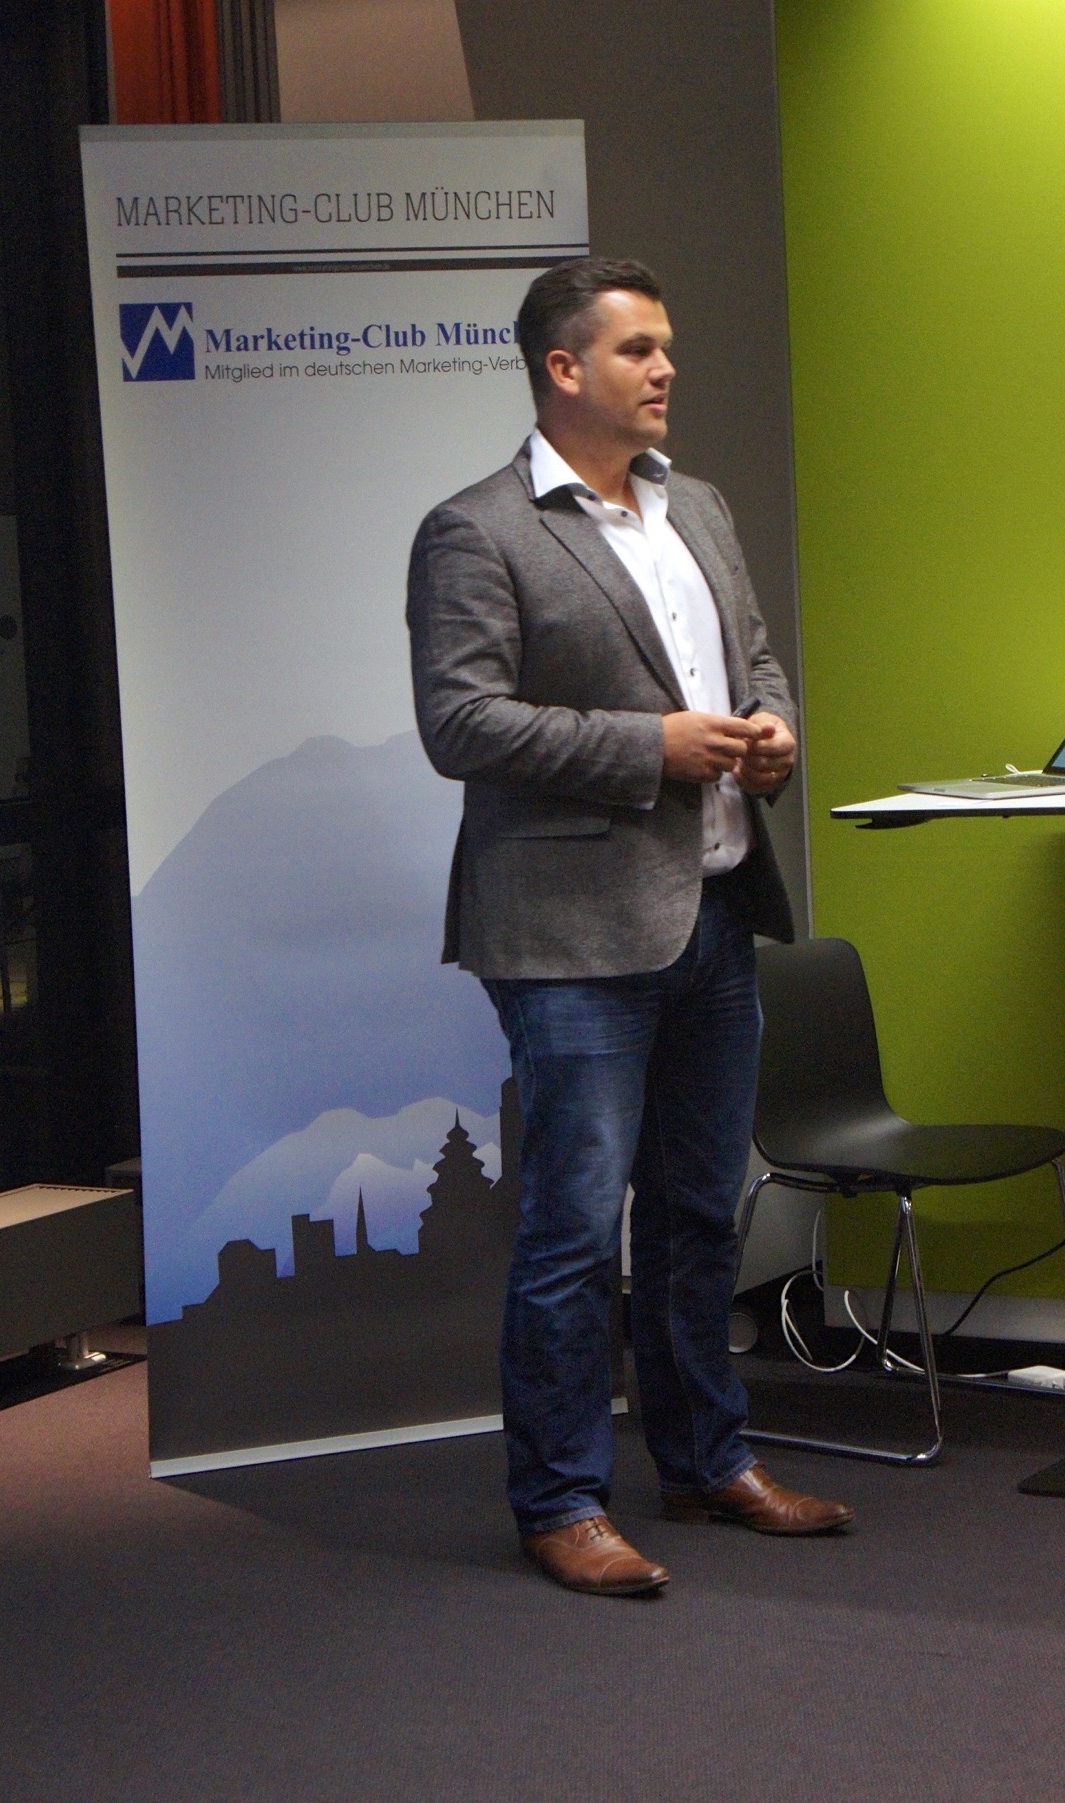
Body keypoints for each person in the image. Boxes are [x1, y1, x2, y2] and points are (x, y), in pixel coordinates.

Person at [406, 258, 852, 1598]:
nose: (665, 369)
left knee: (701, 1214)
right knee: (572, 1228)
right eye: (637, 349)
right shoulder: (475, 530)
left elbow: (754, 662)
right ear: (563, 369)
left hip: (716, 907)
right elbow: (460, 722)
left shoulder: (695, 505)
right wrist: (647, 746)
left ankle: (709, 1461)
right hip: (569, 936)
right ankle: (559, 1500)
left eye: (665, 347)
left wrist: (773, 735)